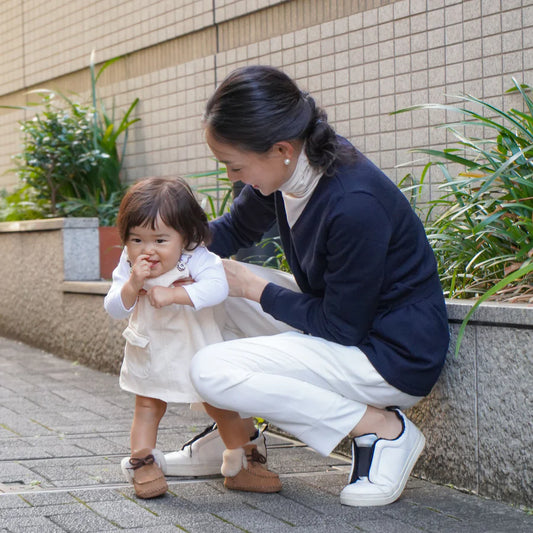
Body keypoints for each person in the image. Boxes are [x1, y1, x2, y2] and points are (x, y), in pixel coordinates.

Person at [166, 65, 450, 507]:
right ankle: (237, 438)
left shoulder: (354, 203)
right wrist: (163, 247)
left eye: (235, 166)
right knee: (201, 294)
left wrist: (255, 288)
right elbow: (234, 229)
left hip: (388, 355)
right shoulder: (289, 168)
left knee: (212, 370)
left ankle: (382, 430)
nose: (232, 179)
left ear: (280, 148)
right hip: (344, 326)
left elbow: (341, 327)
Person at [104, 177, 281, 498]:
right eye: (136, 239)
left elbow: (218, 288)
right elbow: (114, 306)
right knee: (147, 405)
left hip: (199, 350)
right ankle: (143, 463)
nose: (147, 250)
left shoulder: (197, 257)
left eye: (160, 240)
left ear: (186, 235)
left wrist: (175, 296)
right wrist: (133, 284)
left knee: (221, 404)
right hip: (151, 350)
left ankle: (243, 462)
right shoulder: (129, 266)